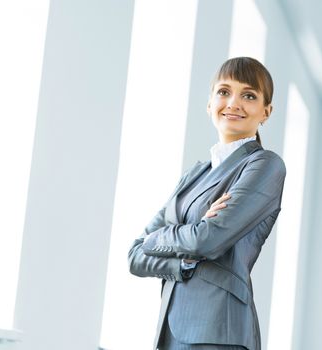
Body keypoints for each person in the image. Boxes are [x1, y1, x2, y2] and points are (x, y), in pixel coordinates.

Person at [128, 57, 286, 350]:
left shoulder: (264, 165)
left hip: (218, 331)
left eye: (249, 95)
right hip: (170, 330)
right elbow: (135, 255)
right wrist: (185, 261)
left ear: (266, 112)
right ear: (210, 103)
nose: (234, 103)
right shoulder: (194, 174)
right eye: (224, 92)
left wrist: (167, 237)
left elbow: (208, 240)